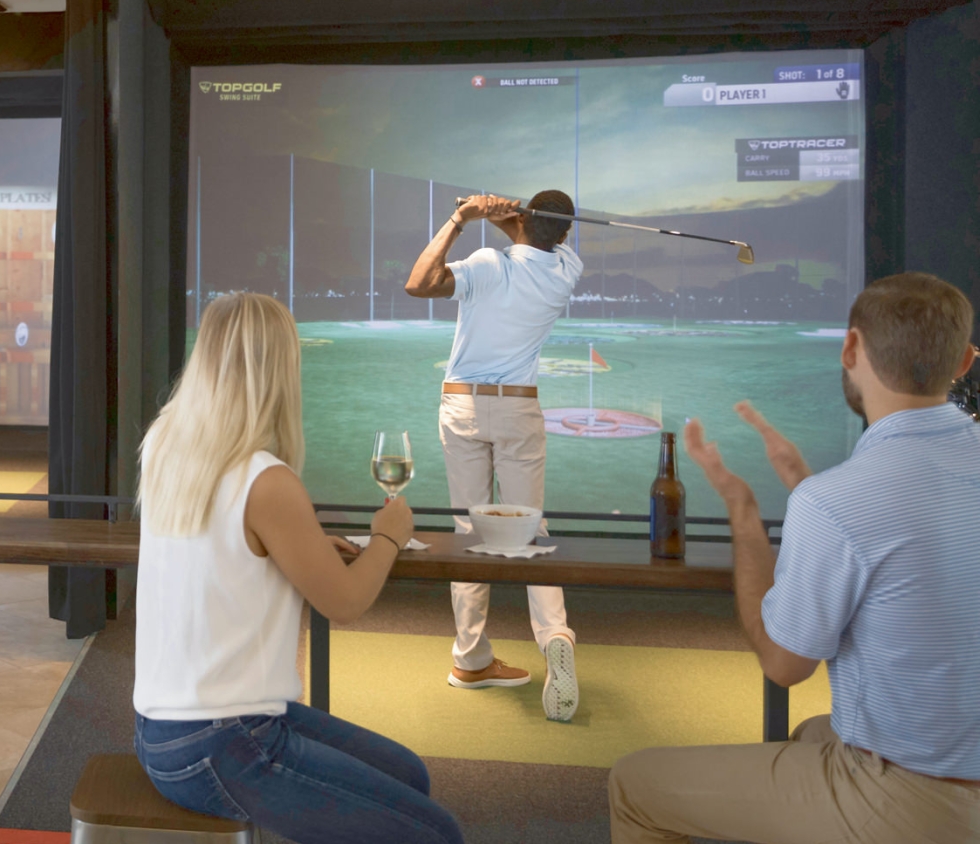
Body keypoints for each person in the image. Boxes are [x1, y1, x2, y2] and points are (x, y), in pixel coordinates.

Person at [609, 272, 980, 844]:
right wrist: (811, 489)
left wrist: (742, 507)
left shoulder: (838, 500)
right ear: (965, 361)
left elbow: (785, 665)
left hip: (922, 800)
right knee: (811, 733)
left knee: (634, 785)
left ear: (851, 348)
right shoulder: (843, 496)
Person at [134, 292, 462, 844]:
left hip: (164, 734)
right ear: (279, 366)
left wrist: (302, 544)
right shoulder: (266, 480)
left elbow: (222, 547)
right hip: (226, 740)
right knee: (437, 834)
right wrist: (389, 535)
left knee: (412, 776)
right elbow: (347, 603)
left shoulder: (166, 442)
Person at [404, 190, 583, 722]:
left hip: (462, 405)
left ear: (526, 219)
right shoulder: (567, 269)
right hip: (519, 411)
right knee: (530, 530)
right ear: (566, 234)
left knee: (471, 534)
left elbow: (418, 284)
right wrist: (517, 220)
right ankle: (556, 635)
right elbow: (538, 243)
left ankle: (472, 659)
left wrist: (464, 217)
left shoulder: (486, 263)